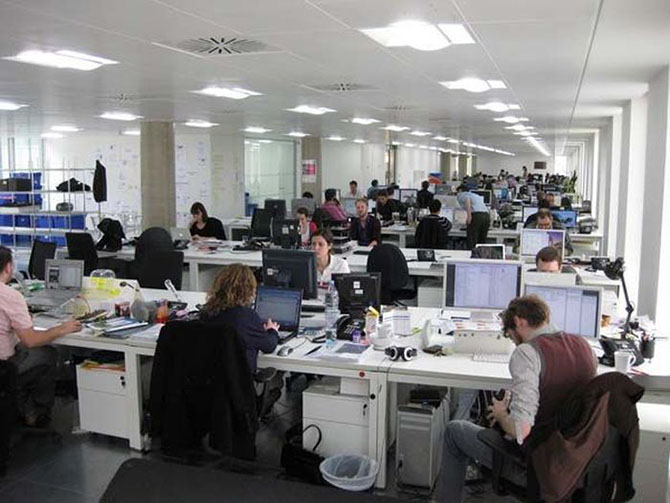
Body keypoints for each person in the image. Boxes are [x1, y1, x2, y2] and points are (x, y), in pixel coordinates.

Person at [440, 295, 597, 502]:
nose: (513, 342)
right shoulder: (584, 346)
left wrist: (501, 414)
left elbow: (520, 430)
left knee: (454, 431)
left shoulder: (527, 353)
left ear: (518, 322)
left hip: (537, 467)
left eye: (510, 335)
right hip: (577, 461)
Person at [0, 247, 81, 426]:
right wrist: (61, 329)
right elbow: (31, 340)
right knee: (47, 353)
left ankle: (21, 405)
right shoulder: (10, 296)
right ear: (8, 267)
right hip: (4, 369)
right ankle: (35, 414)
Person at [199, 264, 278, 373]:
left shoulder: (206, 313)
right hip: (240, 380)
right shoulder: (247, 316)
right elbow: (269, 346)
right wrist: (272, 330)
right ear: (249, 289)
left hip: (211, 378)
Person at [456, 185, 490, 249]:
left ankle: (472, 254)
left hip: (477, 216)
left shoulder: (462, 194)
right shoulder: (475, 195)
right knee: (482, 241)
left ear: (460, 190)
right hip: (486, 216)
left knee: (472, 241)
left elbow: (467, 200)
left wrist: (469, 216)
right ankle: (481, 254)